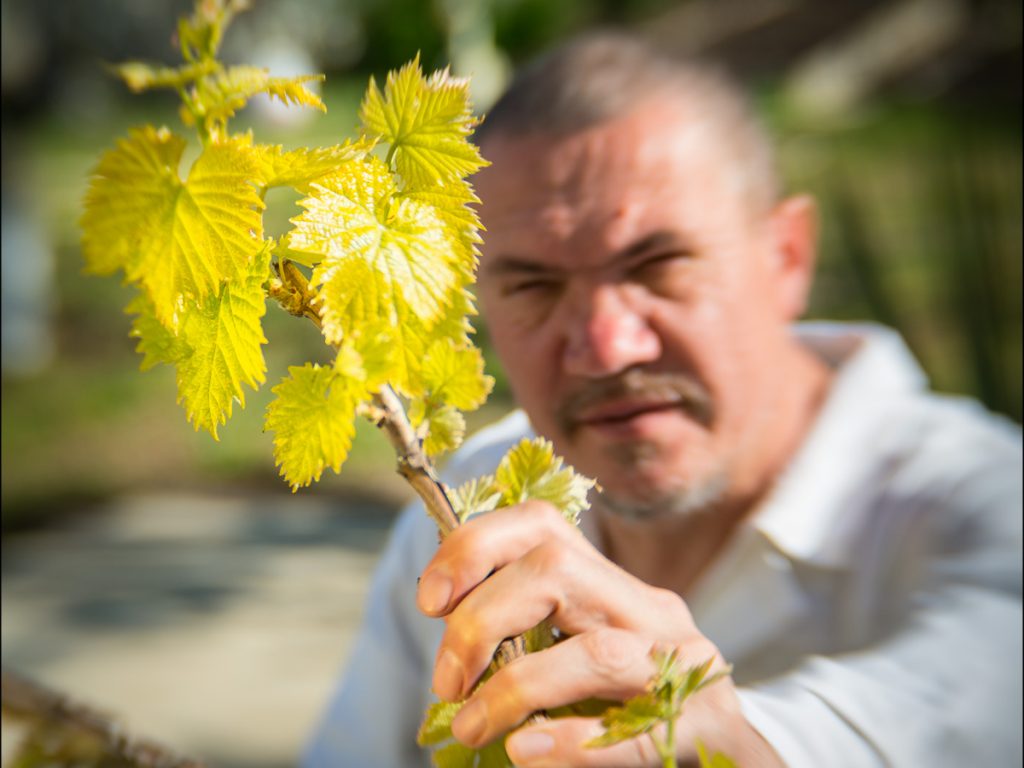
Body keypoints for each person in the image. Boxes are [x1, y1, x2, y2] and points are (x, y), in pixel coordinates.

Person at [303, 33, 1022, 767]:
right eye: (534, 288)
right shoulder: (467, 516)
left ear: (788, 257)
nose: (607, 348)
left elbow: (960, 722)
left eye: (658, 266)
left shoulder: (990, 504)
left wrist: (736, 746)